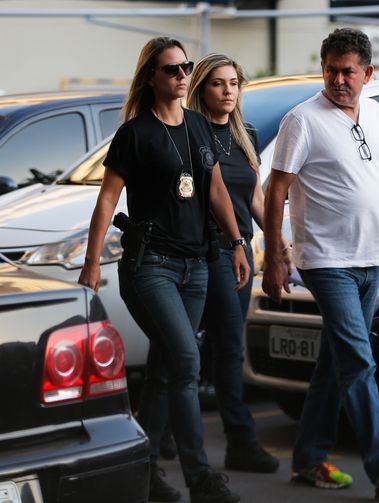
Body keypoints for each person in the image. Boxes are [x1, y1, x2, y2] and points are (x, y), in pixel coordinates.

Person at [78, 37, 248, 503]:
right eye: (171, 69)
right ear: (151, 77)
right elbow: (107, 199)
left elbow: (215, 191)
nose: (180, 76)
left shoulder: (196, 125)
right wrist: (92, 261)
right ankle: (201, 478)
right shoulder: (135, 134)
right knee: (187, 362)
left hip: (195, 267)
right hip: (150, 266)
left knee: (166, 369)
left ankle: (144, 470)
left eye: (184, 67)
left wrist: (236, 243)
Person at [262, 27, 379, 498]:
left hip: (371, 256)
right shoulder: (303, 120)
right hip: (326, 259)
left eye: (347, 71)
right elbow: (275, 191)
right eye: (331, 70)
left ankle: (309, 459)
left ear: (367, 73)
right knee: (357, 359)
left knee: (335, 363)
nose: (338, 80)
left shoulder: (378, 114)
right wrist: (276, 255)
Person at [186, 53, 287, 474]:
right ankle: (228, 438)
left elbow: (257, 198)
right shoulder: (189, 132)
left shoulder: (245, 134)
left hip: (239, 253)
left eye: (233, 84)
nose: (228, 92)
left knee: (225, 346)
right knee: (196, 347)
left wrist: (279, 245)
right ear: (201, 90)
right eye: (217, 84)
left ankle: (231, 441)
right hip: (201, 252)